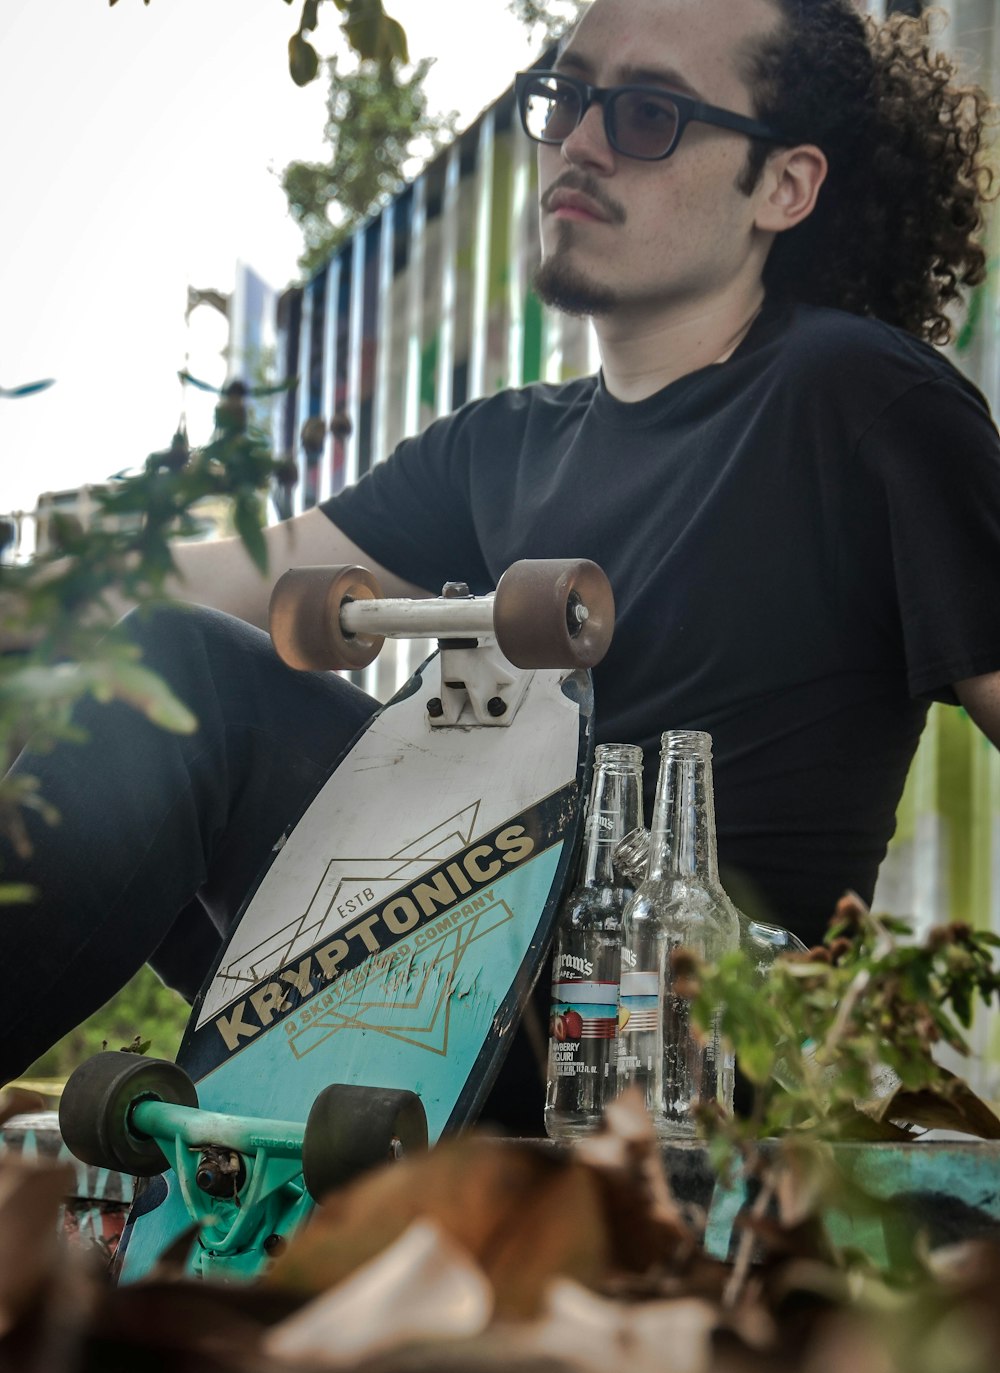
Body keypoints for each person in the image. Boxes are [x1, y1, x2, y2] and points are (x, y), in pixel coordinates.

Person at [2, 0, 999, 1132]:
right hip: (456, 969)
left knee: (179, 679)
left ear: (784, 187)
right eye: (566, 97)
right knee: (139, 678)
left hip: (676, 1038)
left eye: (649, 114)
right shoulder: (506, 440)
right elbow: (231, 580)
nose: (580, 141)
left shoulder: (865, 401)